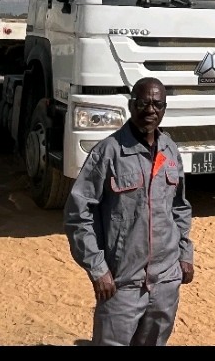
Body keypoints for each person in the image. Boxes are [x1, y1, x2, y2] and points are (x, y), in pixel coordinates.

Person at [64, 77, 194, 346]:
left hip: (165, 282)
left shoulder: (170, 150)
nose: (150, 110)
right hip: (121, 283)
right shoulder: (108, 152)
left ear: (164, 108)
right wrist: (97, 269)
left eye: (157, 104)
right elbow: (78, 214)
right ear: (131, 105)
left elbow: (179, 208)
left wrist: (185, 253)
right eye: (143, 103)